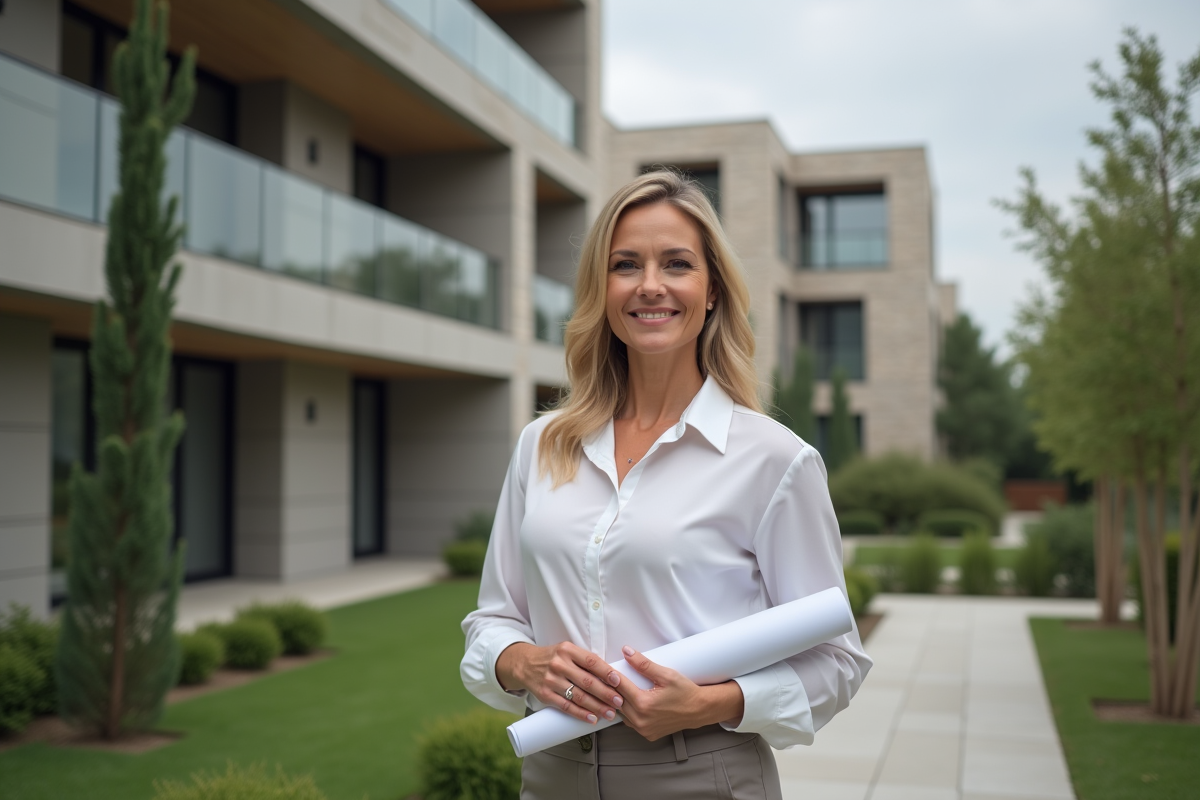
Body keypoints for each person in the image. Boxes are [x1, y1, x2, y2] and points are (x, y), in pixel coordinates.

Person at [461, 170, 871, 799]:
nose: (650, 285)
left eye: (676, 264)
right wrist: (521, 662)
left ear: (711, 292)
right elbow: (495, 616)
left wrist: (712, 703)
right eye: (626, 265)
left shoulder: (773, 461)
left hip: (701, 773)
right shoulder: (542, 447)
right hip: (551, 773)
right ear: (603, 289)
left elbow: (837, 663)